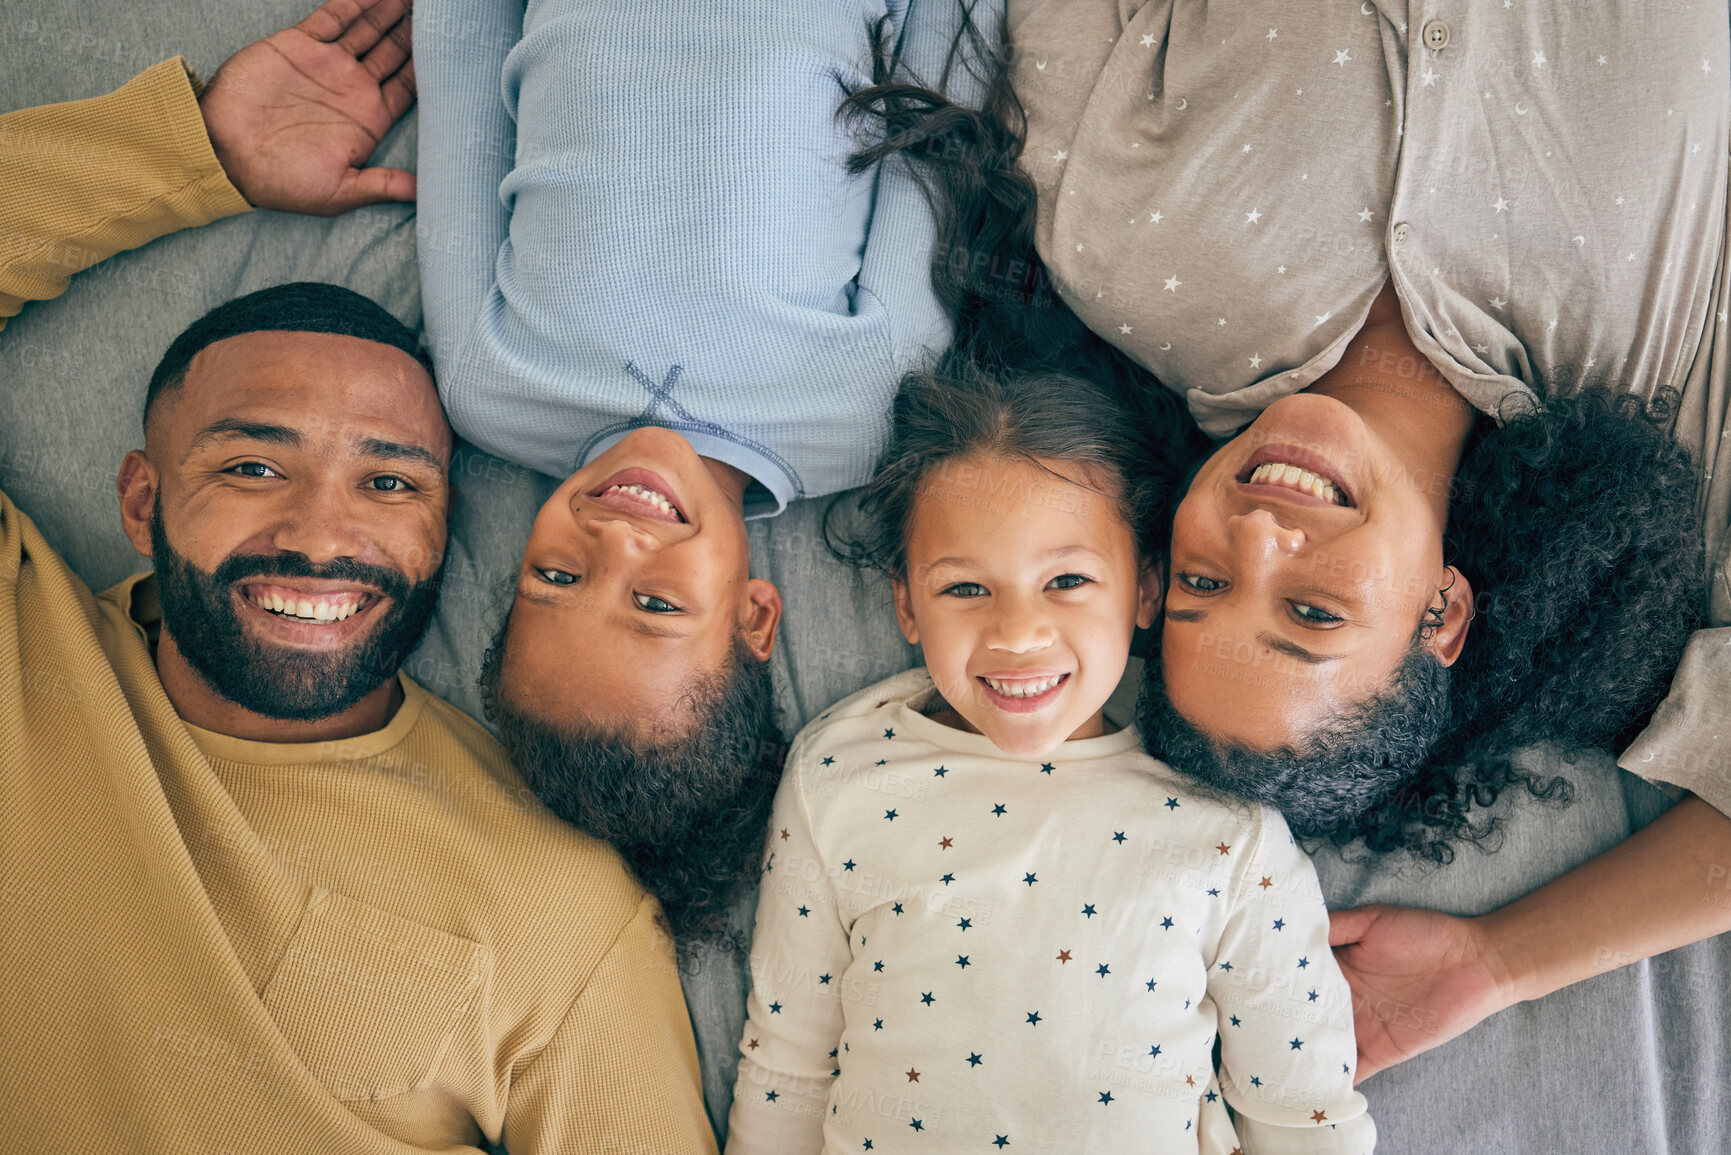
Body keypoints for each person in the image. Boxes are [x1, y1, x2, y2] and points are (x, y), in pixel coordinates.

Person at [837, 5, 1731, 1148]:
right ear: (1444, 611)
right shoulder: (1670, 378)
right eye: (1312, 611)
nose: (1257, 537)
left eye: (1202, 586)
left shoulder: (1117, 251)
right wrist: (1498, 963)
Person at [0, 3, 715, 1150]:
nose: (321, 536)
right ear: (141, 499)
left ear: (446, 525)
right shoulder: (20, 641)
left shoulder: (563, 901)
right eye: (252, 463)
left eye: (390, 484)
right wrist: (192, 157)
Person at [413, 0, 993, 942]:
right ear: (755, 615)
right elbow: (935, 121)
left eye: (554, 577)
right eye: (656, 605)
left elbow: (464, 74)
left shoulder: (491, 388)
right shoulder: (873, 418)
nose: (616, 542)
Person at [727, 356, 1372, 1152]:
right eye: (964, 589)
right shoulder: (840, 772)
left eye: (1066, 580)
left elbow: (1302, 1109)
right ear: (905, 604)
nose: (1016, 633)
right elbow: (786, 1067)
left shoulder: (1225, 814)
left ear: (1144, 589)